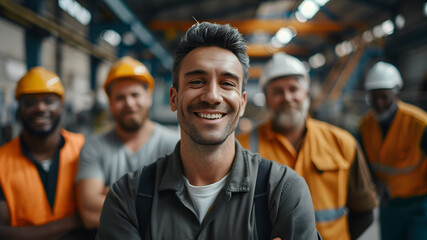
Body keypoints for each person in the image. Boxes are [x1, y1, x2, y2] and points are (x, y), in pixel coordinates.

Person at [97, 22, 320, 240]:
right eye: (197, 81)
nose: (212, 96)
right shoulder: (128, 197)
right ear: (174, 98)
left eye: (227, 83)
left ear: (242, 103)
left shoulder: (283, 192)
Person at [237, 52, 378, 240]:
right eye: (278, 91)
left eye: (293, 89)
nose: (287, 97)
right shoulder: (241, 148)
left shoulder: (342, 143)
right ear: (266, 98)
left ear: (307, 94)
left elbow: (365, 211)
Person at [75, 56, 179, 229]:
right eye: (120, 97)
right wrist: (152, 199)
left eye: (135, 95)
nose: (129, 103)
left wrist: (116, 197)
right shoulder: (94, 147)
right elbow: (89, 213)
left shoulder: (174, 145)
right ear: (110, 103)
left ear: (148, 97)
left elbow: (178, 212)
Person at [0, 67, 91, 239]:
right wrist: (74, 220)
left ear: (61, 106)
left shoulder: (85, 148)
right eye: (30, 103)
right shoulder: (1, 161)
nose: (40, 108)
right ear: (19, 109)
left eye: (49, 101)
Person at [359, 61, 427, 240]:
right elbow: (363, 164)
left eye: (384, 96)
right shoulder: (365, 126)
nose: (379, 103)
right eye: (373, 98)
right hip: (389, 204)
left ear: (396, 92)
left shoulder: (420, 124)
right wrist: (374, 182)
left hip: (419, 204)